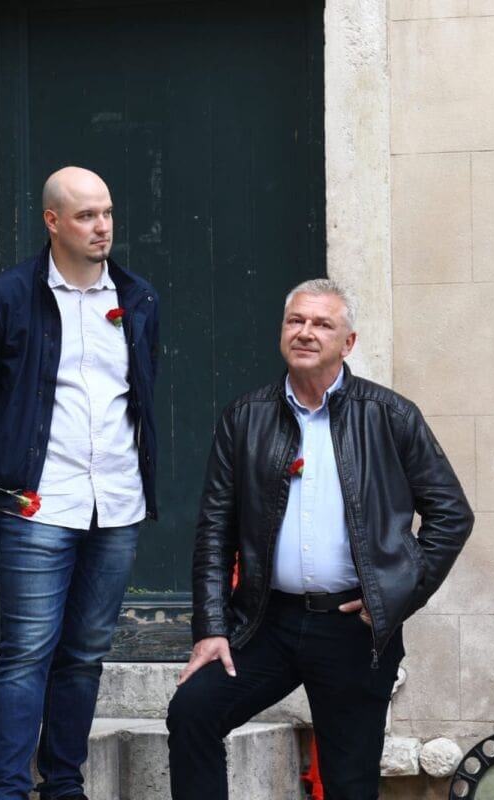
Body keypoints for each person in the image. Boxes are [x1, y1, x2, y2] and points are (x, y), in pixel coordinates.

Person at [166, 278, 474, 799]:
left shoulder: (390, 415)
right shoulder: (245, 416)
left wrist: (396, 598)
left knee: (350, 783)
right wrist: (211, 628)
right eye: (296, 321)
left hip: (353, 628)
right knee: (194, 711)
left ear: (347, 342)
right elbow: (215, 529)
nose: (305, 332)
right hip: (265, 621)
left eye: (321, 324)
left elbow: (452, 515)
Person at [0, 166, 160, 800]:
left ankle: (64, 783)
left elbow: (140, 395)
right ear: (52, 221)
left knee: (87, 652)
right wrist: (6, 476)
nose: (102, 227)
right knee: (26, 652)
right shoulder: (3, 298)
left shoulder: (138, 297)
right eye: (86, 216)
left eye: (107, 213)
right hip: (36, 503)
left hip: (117, 502)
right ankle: (7, 788)